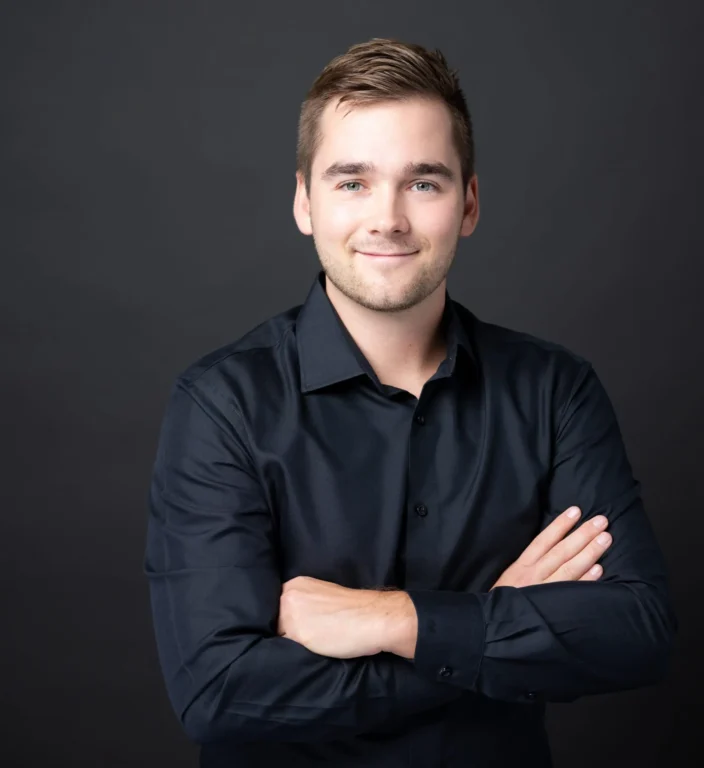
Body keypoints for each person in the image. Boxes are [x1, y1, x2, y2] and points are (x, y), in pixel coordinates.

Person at [143, 37, 677, 768]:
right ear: (305, 202)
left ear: (470, 203)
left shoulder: (554, 389)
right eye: (352, 181)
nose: (387, 218)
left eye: (423, 183)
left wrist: (393, 619)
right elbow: (221, 693)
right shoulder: (222, 404)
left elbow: (637, 632)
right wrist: (495, 619)